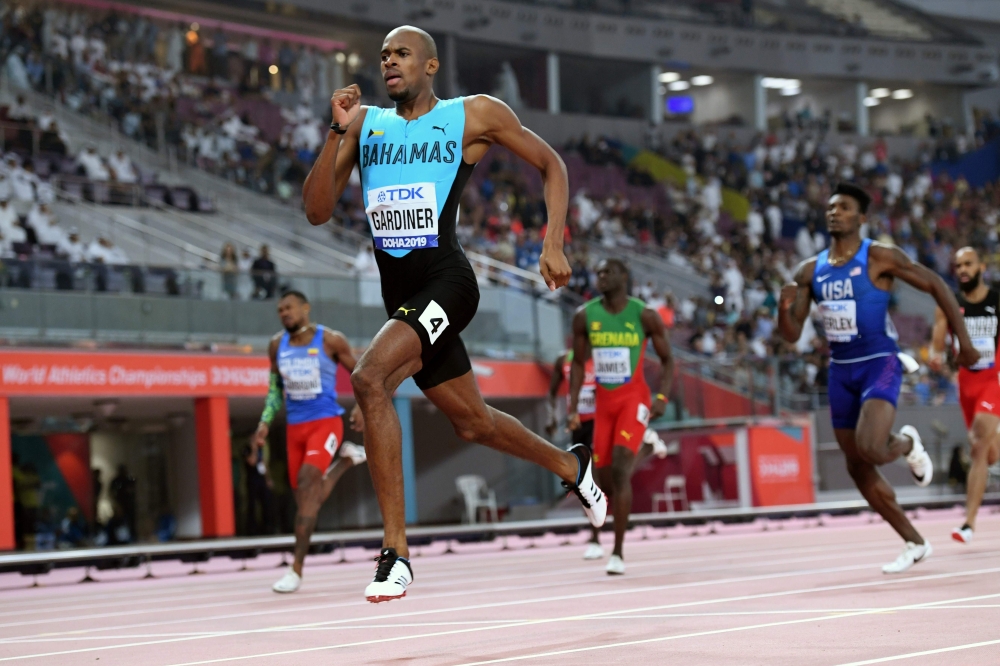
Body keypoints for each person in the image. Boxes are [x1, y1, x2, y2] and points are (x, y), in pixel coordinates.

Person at [302, 25, 606, 603]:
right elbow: (317, 210)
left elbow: (552, 165)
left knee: (369, 378)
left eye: (402, 54)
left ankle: (395, 554)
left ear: (431, 66)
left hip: (449, 282)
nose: (389, 62)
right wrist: (334, 132)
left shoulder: (473, 114)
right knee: (473, 422)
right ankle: (573, 468)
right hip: (404, 297)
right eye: (384, 55)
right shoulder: (365, 123)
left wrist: (554, 242)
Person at [778, 182, 979, 574]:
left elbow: (937, 284)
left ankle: (906, 443)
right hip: (840, 370)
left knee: (871, 447)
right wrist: (784, 308)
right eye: (831, 207)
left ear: (862, 217)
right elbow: (790, 333)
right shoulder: (809, 271)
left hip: (880, 361)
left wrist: (964, 341)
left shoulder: (879, 257)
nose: (835, 212)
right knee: (857, 465)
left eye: (845, 207)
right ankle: (914, 542)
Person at [253, 290, 368, 593]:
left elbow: (361, 375)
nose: (284, 313)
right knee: (306, 499)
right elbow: (275, 389)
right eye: (280, 310)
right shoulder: (277, 345)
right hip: (295, 429)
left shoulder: (330, 340)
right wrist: (265, 423)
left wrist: (362, 406)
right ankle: (346, 461)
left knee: (307, 483)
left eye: (289, 308)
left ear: (305, 307)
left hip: (326, 423)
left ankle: (296, 570)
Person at [566, 258, 674, 575]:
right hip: (604, 404)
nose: (600, 277)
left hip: (633, 399)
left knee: (622, 469)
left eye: (607, 272)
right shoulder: (585, 316)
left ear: (623, 277)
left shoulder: (644, 315)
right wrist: (572, 407)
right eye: (597, 272)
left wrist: (662, 397)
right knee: (602, 480)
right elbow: (576, 364)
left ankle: (618, 552)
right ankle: (649, 445)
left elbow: (668, 360)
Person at [929, 247, 1000, 544]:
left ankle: (968, 523)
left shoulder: (997, 299)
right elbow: (937, 340)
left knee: (978, 443)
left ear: (981, 266)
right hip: (966, 387)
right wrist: (935, 354)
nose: (962, 270)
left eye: (968, 264)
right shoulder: (949, 303)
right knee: (988, 453)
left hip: (993, 380)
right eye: (958, 265)